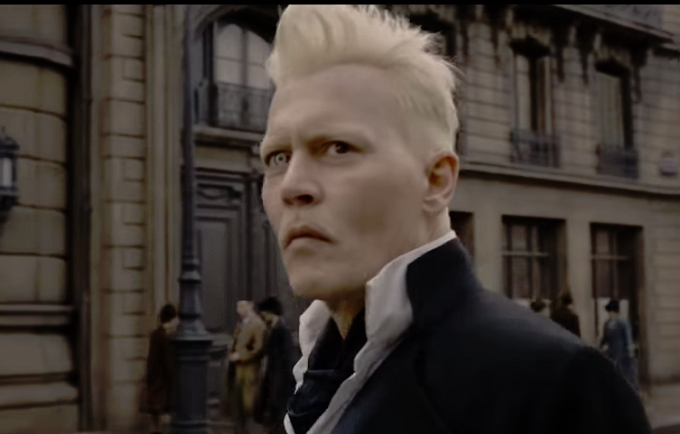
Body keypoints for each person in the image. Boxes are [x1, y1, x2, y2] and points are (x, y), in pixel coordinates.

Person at [259, 5, 651, 434]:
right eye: (277, 157)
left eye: (337, 148)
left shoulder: (554, 382)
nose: (292, 186)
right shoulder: (319, 370)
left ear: (436, 180)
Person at [255, 296, 297, 434]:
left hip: (279, 379)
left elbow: (286, 358)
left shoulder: (281, 330)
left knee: (279, 411)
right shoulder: (276, 329)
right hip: (274, 378)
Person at [227, 300, 268, 434]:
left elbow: (258, 347)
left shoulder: (257, 324)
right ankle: (240, 426)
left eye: (242, 307)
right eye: (238, 307)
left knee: (249, 399)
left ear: (250, 307)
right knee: (238, 398)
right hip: (238, 367)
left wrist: (241, 356)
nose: (239, 310)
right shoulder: (242, 323)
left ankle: (250, 427)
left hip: (250, 367)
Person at [140, 303, 178, 434]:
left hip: (154, 378)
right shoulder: (165, 337)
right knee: (160, 410)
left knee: (154, 413)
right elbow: (167, 361)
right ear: (171, 319)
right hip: (161, 380)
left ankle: (155, 431)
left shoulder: (155, 334)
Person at [600, 299, 638, 390]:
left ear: (615, 312)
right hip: (611, 355)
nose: (610, 314)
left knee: (625, 378)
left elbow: (628, 340)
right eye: (609, 312)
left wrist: (630, 354)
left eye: (611, 312)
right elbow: (604, 339)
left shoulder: (623, 324)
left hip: (622, 356)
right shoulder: (607, 324)